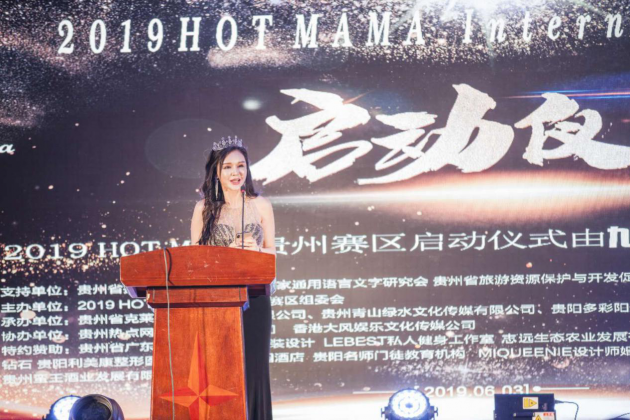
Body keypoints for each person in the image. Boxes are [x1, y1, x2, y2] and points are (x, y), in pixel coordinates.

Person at [190, 136, 275, 420]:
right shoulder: (203, 209)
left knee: (254, 368)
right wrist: (224, 254)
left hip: (255, 297)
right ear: (216, 171)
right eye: (227, 167)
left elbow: (272, 254)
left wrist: (257, 251)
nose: (235, 172)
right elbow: (194, 260)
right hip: (216, 300)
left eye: (241, 166)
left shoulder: (261, 205)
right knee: (218, 367)